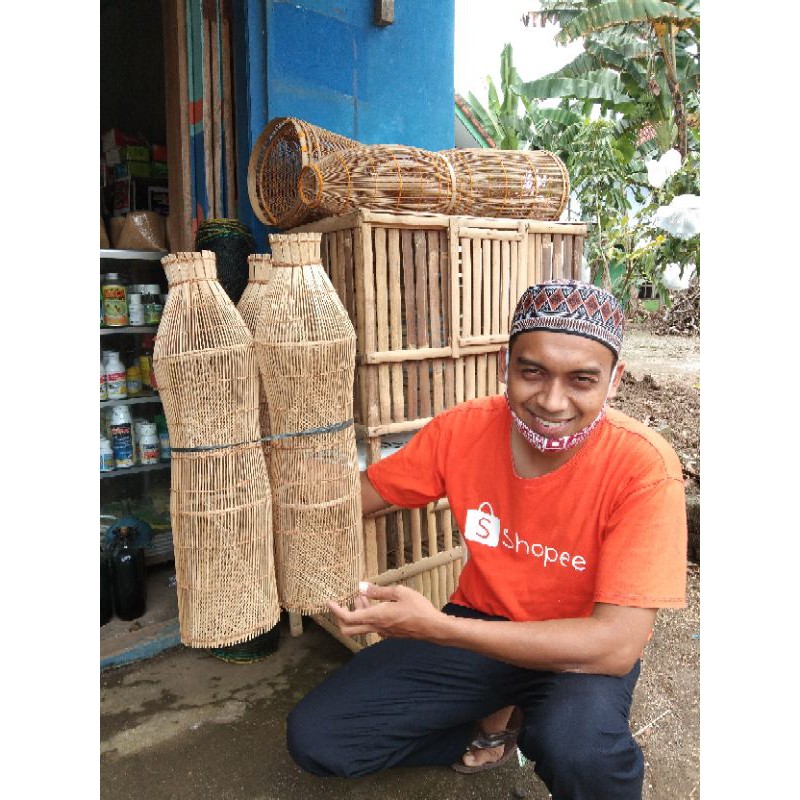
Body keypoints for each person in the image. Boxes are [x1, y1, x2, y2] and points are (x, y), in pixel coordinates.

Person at [286, 280, 687, 800]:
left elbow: (614, 646)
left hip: (577, 648)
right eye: (532, 372)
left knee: (579, 749)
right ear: (507, 363)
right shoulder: (464, 430)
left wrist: (436, 629)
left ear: (614, 381)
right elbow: (359, 496)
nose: (552, 400)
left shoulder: (644, 469)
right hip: (482, 620)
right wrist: (279, 492)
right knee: (319, 738)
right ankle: (492, 729)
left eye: (582, 379)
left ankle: (535, 722)